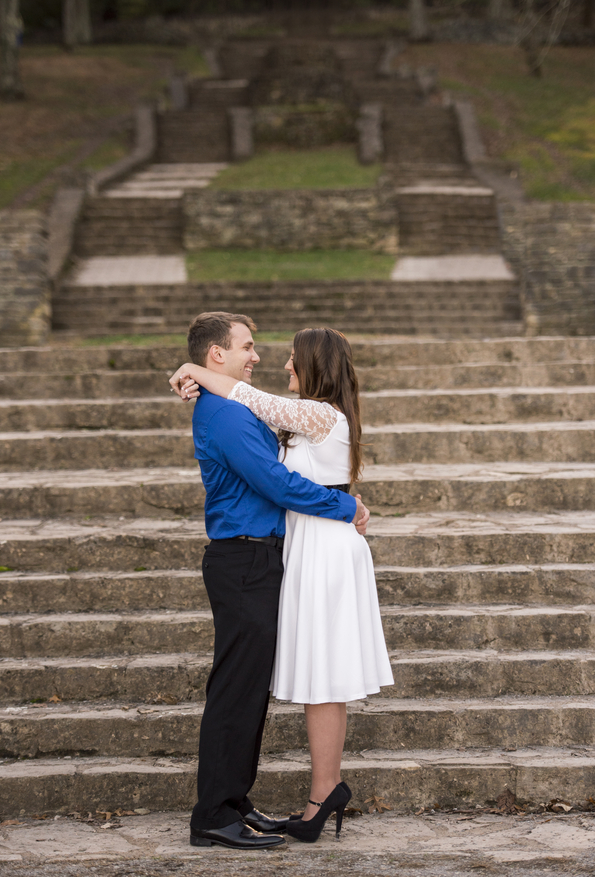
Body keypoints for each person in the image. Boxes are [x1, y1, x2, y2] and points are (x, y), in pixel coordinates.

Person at [171, 324, 393, 844]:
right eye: (249, 347)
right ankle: (222, 813)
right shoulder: (231, 411)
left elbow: (256, 402)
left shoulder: (308, 414)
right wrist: (347, 505)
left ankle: (266, 800)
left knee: (301, 679)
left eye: (292, 358)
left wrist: (194, 374)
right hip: (258, 554)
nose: (272, 361)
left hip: (305, 552)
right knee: (247, 687)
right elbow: (275, 480)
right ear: (218, 352)